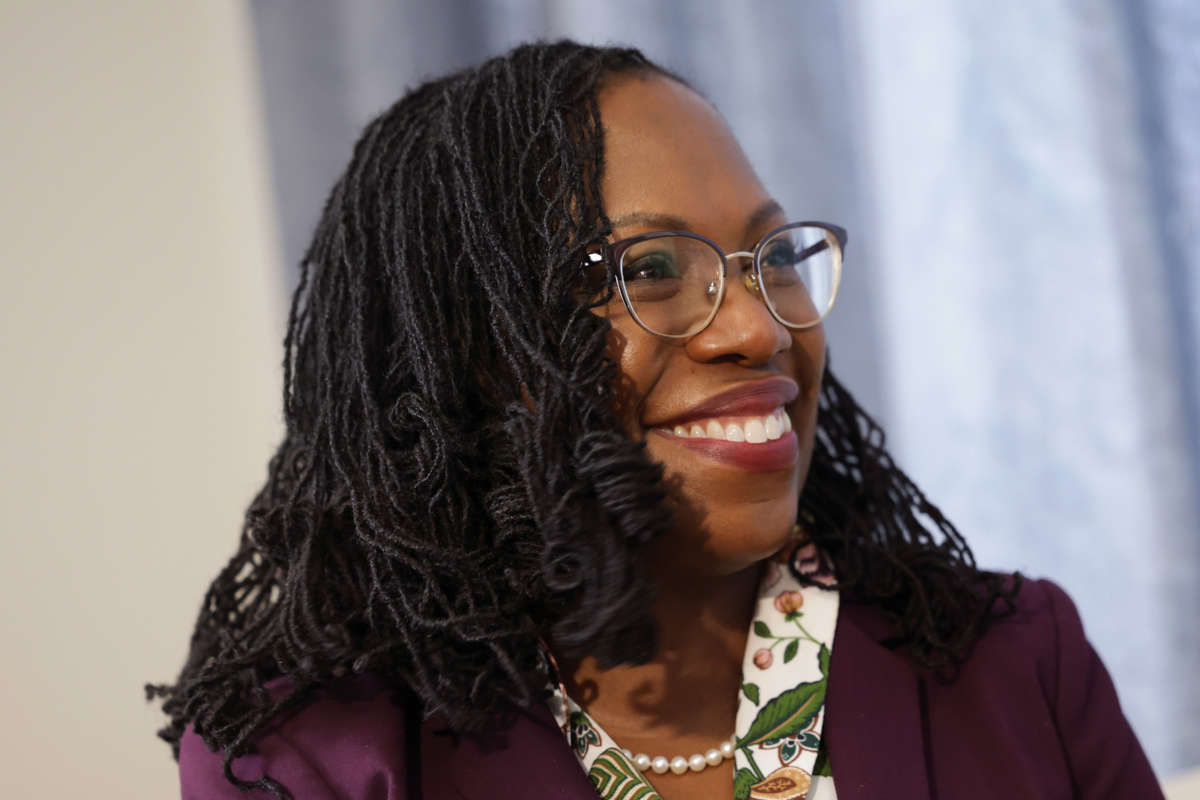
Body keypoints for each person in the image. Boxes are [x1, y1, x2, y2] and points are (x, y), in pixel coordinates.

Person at [150, 40, 1161, 800]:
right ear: (475, 350)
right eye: (649, 270)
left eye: (772, 259)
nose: (759, 327)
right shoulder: (308, 755)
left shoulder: (1016, 664)